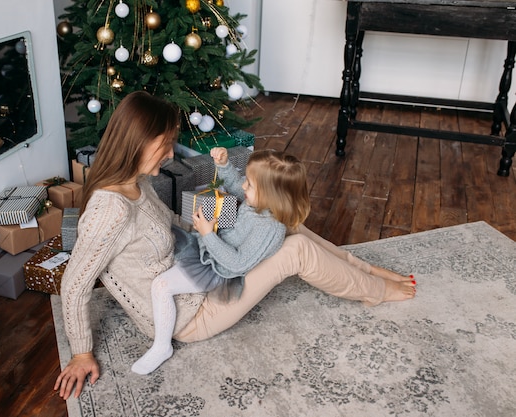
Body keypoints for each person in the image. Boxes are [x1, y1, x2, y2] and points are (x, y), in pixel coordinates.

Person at [54, 91, 416, 400]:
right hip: (191, 314)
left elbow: (174, 224)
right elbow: (74, 282)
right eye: (165, 144)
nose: (169, 155)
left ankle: (364, 270)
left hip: (201, 269)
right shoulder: (109, 209)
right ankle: (376, 290)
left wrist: (219, 219)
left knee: (279, 219)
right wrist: (82, 351)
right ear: (140, 141)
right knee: (296, 251)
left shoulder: (137, 182)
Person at [131, 147, 312, 374]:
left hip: (219, 269)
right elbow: (237, 187)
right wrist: (224, 166)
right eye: (247, 179)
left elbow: (237, 264)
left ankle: (161, 346)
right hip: (212, 247)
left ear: (271, 195)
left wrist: (208, 235)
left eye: (251, 185)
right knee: (167, 238)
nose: (243, 186)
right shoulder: (258, 203)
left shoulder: (270, 229)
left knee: (161, 286)